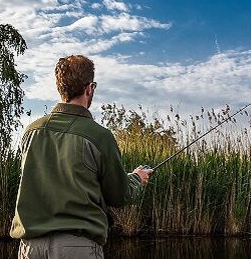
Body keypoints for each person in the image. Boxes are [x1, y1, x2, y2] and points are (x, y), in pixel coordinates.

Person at [10, 55, 152, 259]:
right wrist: (137, 178)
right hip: (76, 248)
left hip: (29, 248)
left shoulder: (31, 132)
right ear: (89, 88)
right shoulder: (99, 136)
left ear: (61, 88)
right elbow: (118, 195)